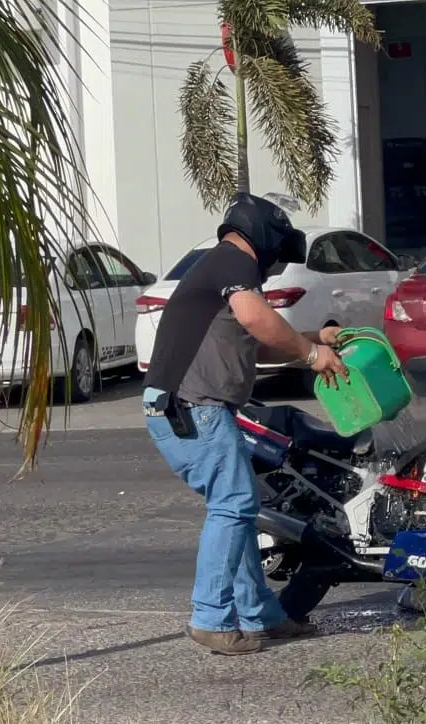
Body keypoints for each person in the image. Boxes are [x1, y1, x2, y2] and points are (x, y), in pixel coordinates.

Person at [141, 192, 348, 655]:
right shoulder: (233, 262)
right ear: (265, 238)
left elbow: (261, 343)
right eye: (277, 257)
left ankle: (260, 615)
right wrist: (313, 355)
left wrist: (316, 339)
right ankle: (211, 618)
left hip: (191, 407)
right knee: (234, 503)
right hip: (193, 408)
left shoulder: (220, 267)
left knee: (236, 506)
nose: (274, 269)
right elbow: (258, 319)